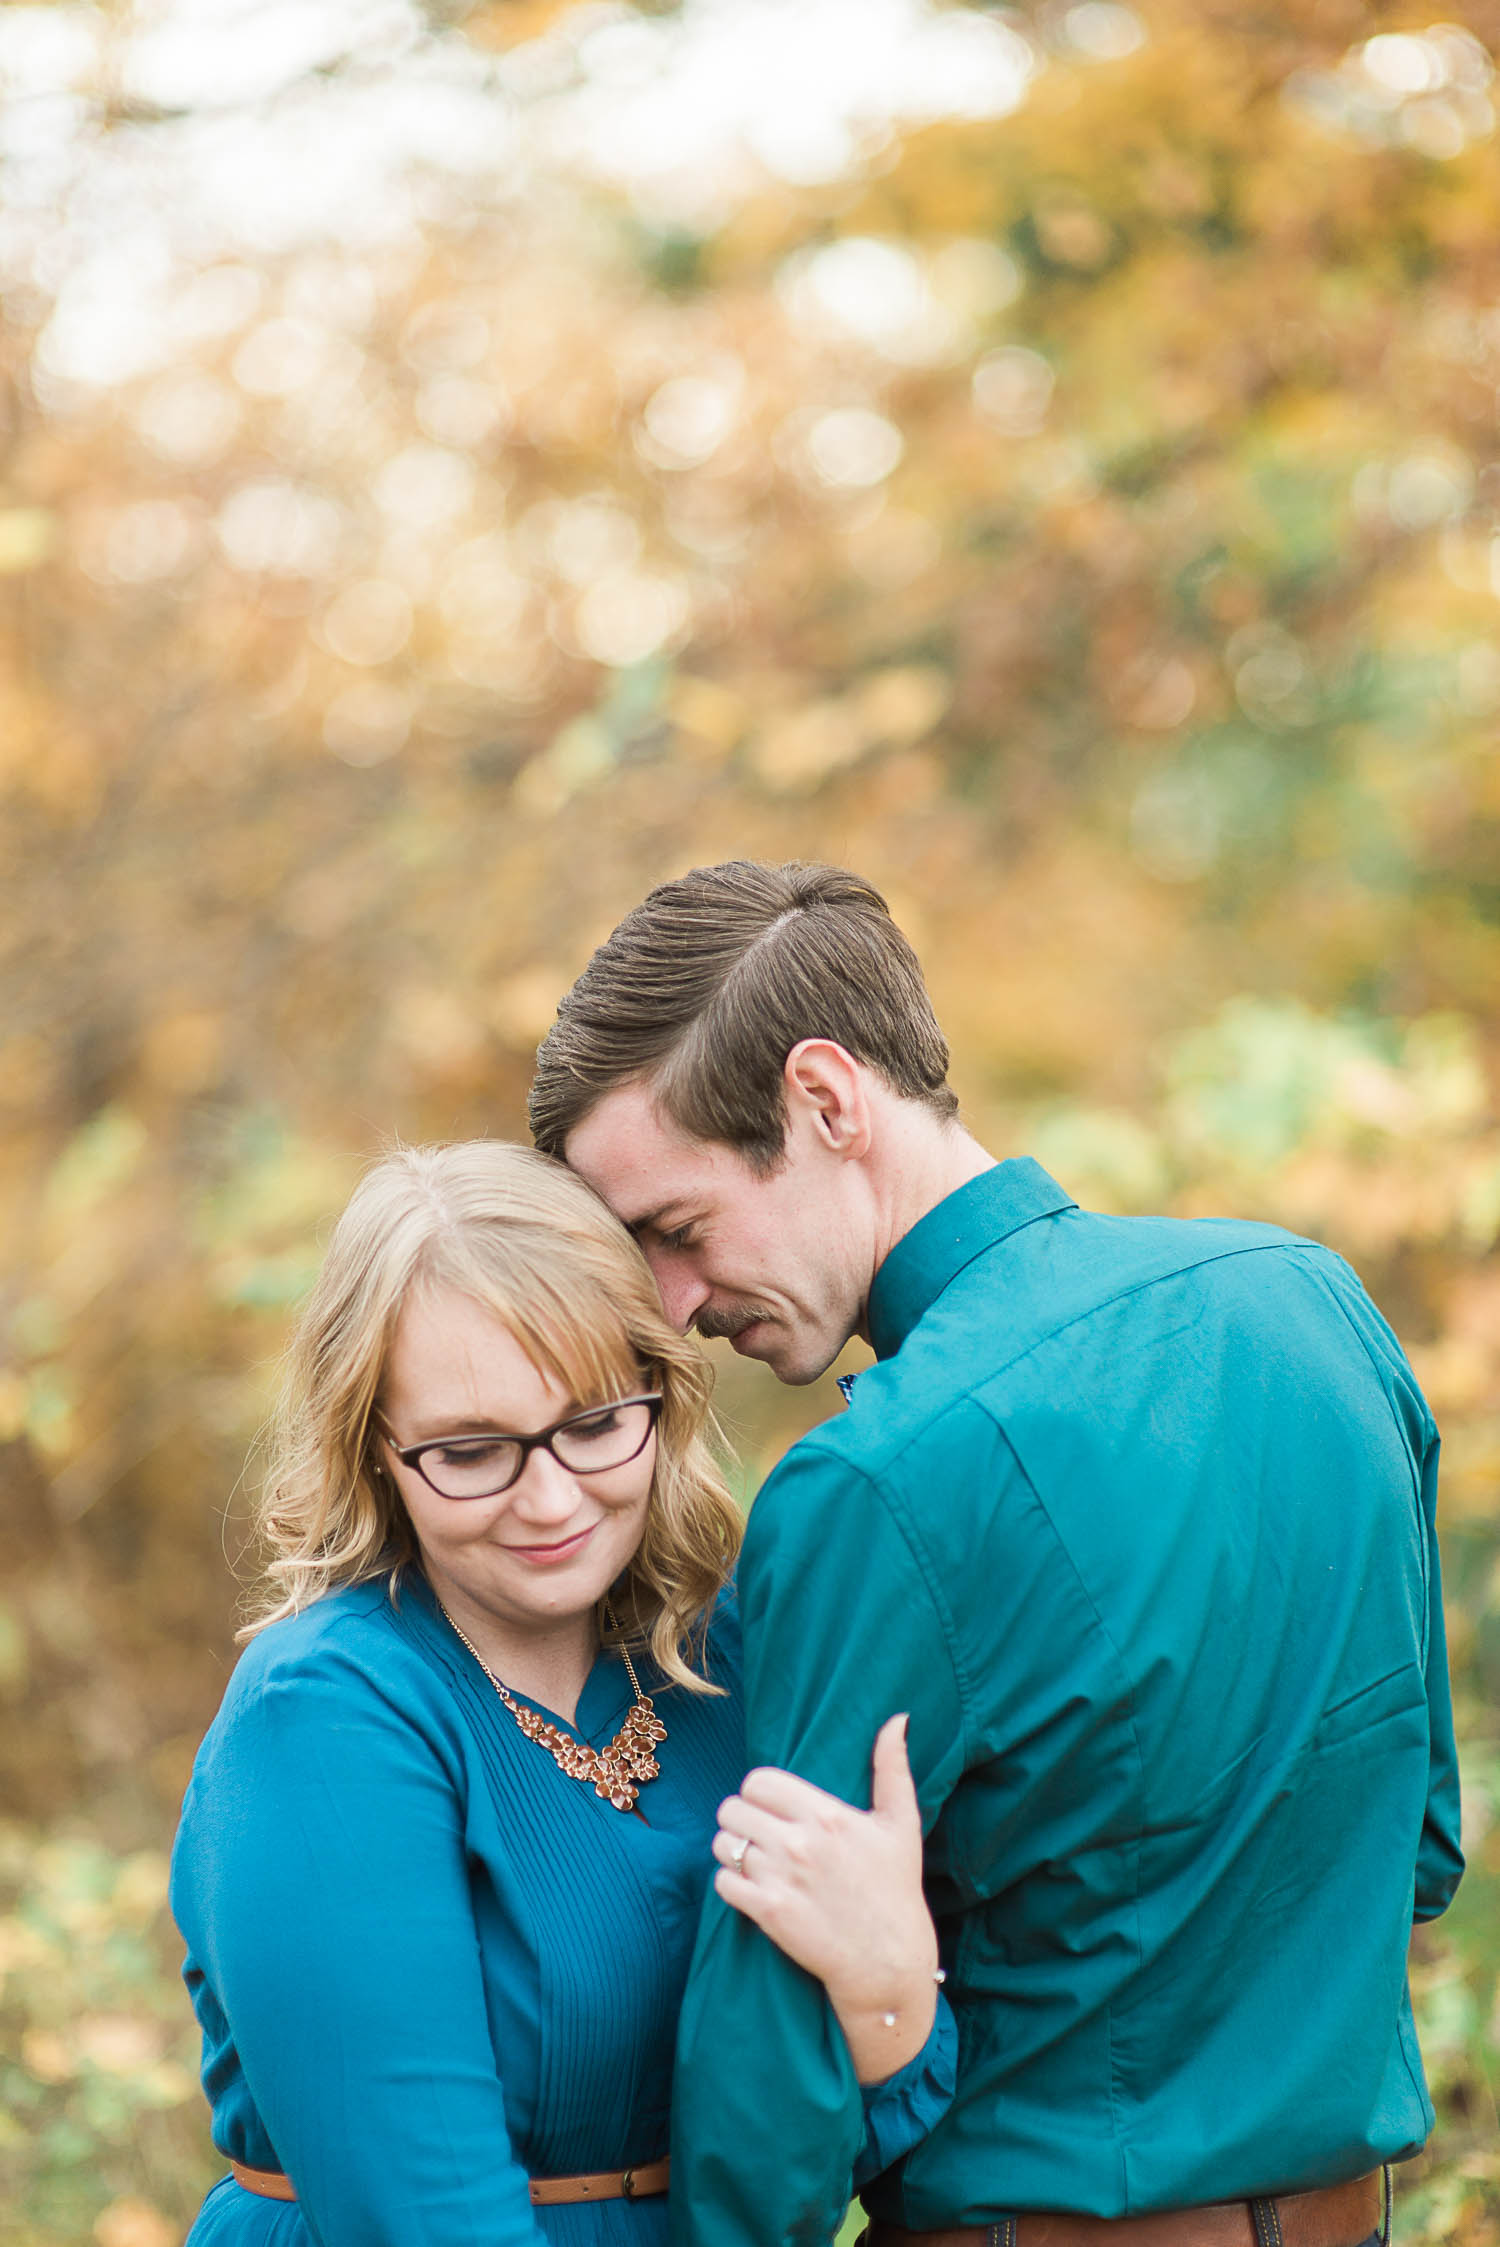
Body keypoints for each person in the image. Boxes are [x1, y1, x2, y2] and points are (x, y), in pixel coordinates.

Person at [530, 859, 1465, 2247]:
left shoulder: (870, 1485)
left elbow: (771, 2053)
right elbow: (1424, 1842)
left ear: (829, 1099)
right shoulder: (1315, 1302)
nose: (668, 1303)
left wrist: (899, 2016)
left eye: (678, 1228)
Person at [169, 1139, 956, 2247]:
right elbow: (425, 2223)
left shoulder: (722, 1663)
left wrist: (888, 1983)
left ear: (659, 1393)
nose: (549, 1500)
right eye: (472, 1450)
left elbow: (869, 2139)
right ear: (376, 1450)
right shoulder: (325, 1716)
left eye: (592, 1425)